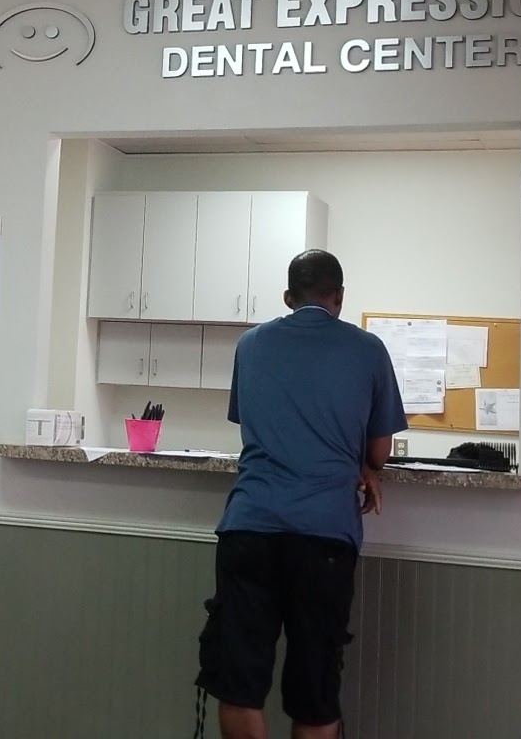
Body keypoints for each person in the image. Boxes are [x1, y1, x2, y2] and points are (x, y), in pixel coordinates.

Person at [195, 250, 407, 739]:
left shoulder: (250, 344)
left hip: (250, 527)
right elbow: (379, 453)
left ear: (288, 297)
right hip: (325, 536)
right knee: (315, 692)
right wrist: (363, 466)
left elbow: (255, 423)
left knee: (239, 685)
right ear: (340, 297)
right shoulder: (369, 349)